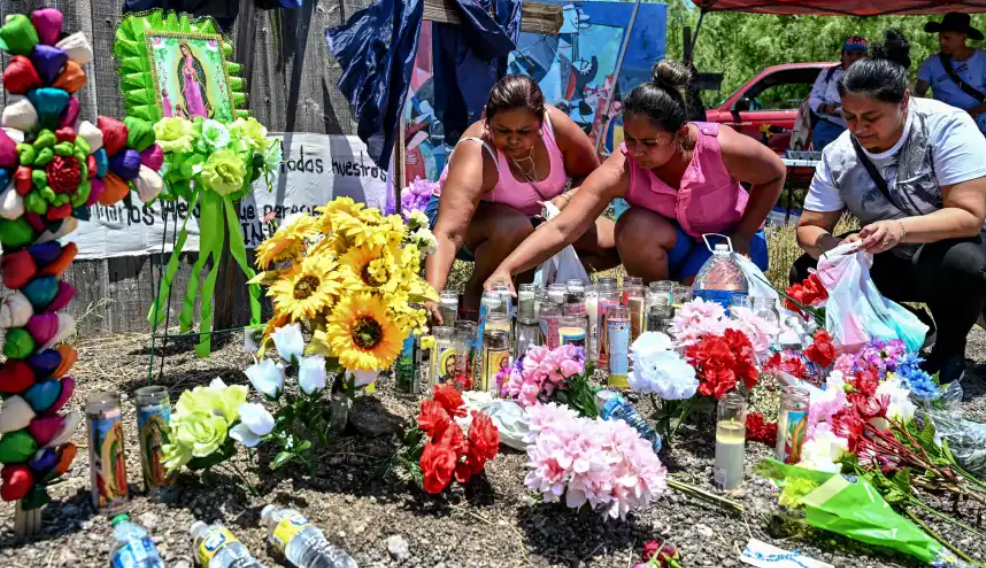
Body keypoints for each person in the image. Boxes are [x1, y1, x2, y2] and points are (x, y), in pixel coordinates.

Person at [483, 61, 786, 288]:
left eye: (649, 143)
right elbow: (564, 228)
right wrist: (506, 269)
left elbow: (775, 173)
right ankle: (659, 302)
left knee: (708, 307)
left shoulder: (720, 147)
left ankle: (691, 293)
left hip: (729, 243)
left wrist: (744, 234)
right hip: (674, 245)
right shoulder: (624, 165)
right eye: (630, 139)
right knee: (632, 225)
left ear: (680, 135)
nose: (637, 151)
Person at [792, 29, 986, 385]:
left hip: (958, 255)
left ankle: (950, 346)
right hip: (892, 258)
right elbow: (808, 227)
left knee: (958, 262)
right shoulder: (839, 154)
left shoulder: (946, 127)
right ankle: (904, 328)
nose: (859, 129)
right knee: (809, 270)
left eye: (871, 118)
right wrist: (834, 248)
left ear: (904, 102)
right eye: (850, 117)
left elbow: (969, 217)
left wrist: (899, 229)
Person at [425, 75, 619, 320]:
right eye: (503, 130)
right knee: (514, 227)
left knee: (613, 243)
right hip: (473, 226)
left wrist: (566, 199)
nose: (514, 139)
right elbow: (450, 231)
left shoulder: (556, 126)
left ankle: (531, 285)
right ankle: (475, 294)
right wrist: (432, 291)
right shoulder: (476, 151)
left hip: (536, 220)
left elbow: (593, 179)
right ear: (486, 118)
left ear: (540, 122)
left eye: (525, 131)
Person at [915, 13, 986, 134]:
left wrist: (967, 114)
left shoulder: (983, 60)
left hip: (979, 125)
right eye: (940, 38)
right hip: (944, 127)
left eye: (947, 38)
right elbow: (917, 97)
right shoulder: (930, 64)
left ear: (964, 37)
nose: (942, 42)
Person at [809, 36, 868, 150]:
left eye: (859, 54)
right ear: (842, 55)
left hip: (861, 130)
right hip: (828, 128)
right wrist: (826, 107)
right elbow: (814, 98)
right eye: (850, 53)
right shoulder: (827, 73)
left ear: (866, 57)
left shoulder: (873, 76)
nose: (854, 57)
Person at [178, 42, 210, 119]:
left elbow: (199, 72)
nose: (184, 52)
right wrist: (186, 72)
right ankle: (192, 116)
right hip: (187, 84)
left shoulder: (194, 61)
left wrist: (192, 71)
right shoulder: (184, 61)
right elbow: (181, 72)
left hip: (194, 83)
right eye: (182, 51)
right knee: (189, 99)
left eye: (185, 50)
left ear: (188, 49)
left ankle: (200, 115)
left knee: (196, 99)